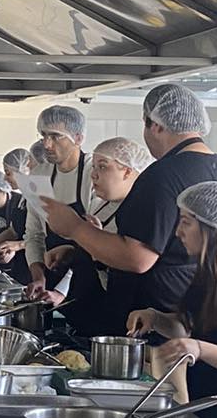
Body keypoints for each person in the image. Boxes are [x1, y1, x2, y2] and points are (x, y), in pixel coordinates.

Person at [41, 85, 217, 337]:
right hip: (196, 324)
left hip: (152, 327)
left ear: (155, 125)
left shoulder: (162, 176)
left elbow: (137, 257)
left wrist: (75, 228)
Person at [129, 180, 217, 404]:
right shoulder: (208, 273)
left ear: (211, 229)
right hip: (204, 398)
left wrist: (199, 348)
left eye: (186, 222)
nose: (178, 232)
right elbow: (188, 327)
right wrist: (155, 318)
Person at [45, 137, 150, 322]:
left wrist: (96, 253)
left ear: (127, 171)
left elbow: (122, 277)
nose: (93, 175)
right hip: (84, 310)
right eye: (93, 167)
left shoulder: (139, 215)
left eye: (102, 167)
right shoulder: (102, 205)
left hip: (115, 317)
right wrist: (72, 252)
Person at [23, 106, 92, 298]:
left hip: (90, 280)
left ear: (78, 138)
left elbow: (98, 239)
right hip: (51, 280)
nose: (46, 144)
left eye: (55, 136)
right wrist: (38, 276)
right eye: (44, 136)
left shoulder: (93, 173)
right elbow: (34, 235)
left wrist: (62, 291)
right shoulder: (39, 175)